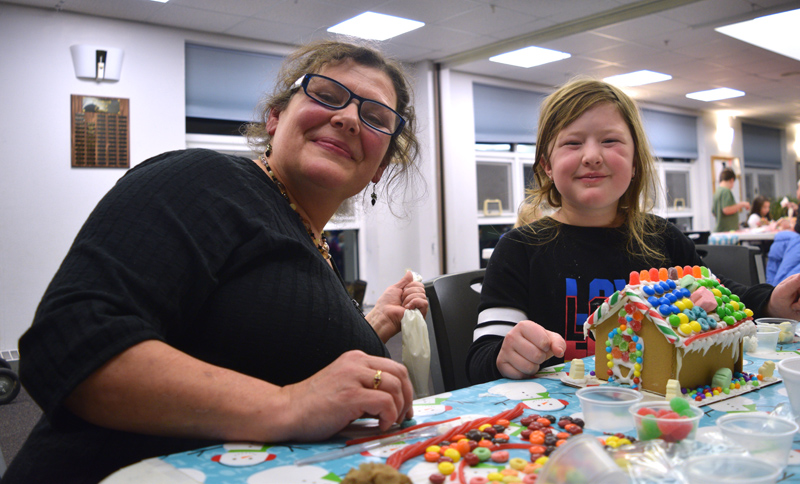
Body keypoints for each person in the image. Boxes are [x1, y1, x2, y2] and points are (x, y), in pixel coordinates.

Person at [4, 39, 429, 484]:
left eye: (376, 119)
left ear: (380, 166)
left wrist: (374, 324)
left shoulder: (310, 244)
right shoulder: (203, 180)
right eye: (325, 95)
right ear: (275, 117)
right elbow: (71, 340)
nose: (346, 118)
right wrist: (288, 404)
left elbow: (265, 346)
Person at [466, 77, 800, 384]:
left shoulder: (664, 239)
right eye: (572, 143)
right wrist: (504, 355)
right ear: (547, 165)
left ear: (636, 161)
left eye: (610, 140)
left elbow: (722, 291)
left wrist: (772, 303)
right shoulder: (518, 249)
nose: (592, 156)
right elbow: (482, 357)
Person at [712, 167, 749, 232]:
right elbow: (726, 210)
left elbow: (713, 212)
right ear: (731, 180)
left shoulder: (717, 192)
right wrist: (742, 204)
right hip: (727, 231)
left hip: (720, 230)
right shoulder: (726, 191)